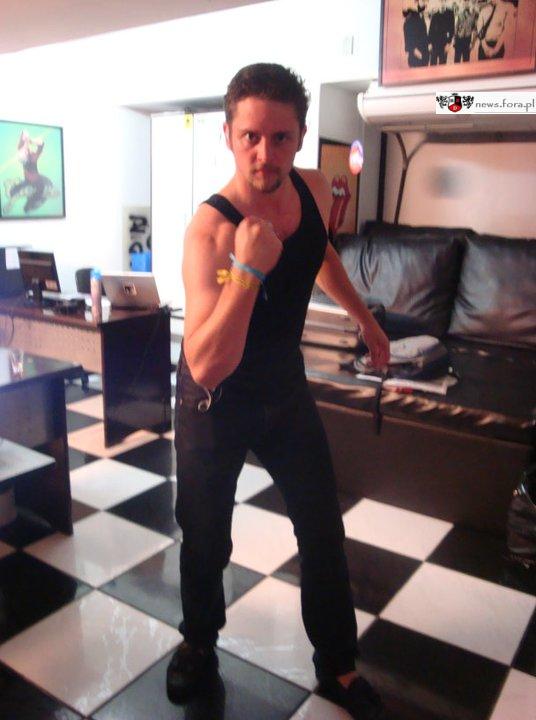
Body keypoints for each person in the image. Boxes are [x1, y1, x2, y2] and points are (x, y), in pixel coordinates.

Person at [167, 63, 390, 720]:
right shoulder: (210, 231)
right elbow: (206, 364)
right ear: (229, 136)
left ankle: (339, 665)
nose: (265, 154)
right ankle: (198, 643)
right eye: (251, 137)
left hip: (283, 388)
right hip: (215, 398)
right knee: (206, 534)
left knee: (321, 527)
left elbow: (319, 255)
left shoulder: (312, 188)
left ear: (299, 138)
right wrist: (245, 271)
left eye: (281, 138)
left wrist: (365, 318)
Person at [6, 130, 53, 214]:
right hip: (29, 180)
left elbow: (41, 144)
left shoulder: (32, 156)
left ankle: (29, 205)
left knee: (34, 199)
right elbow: (22, 147)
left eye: (27, 150)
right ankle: (28, 203)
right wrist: (25, 139)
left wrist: (30, 140)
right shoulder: (27, 156)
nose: (27, 151)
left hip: (37, 182)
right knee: (15, 191)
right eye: (26, 150)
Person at [403, 0, 430, 67]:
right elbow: (408, 36)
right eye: (423, 1)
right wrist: (414, 50)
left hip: (424, 54)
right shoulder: (410, 17)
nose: (425, 4)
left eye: (426, 2)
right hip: (415, 55)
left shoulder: (421, 16)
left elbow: (423, 34)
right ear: (416, 2)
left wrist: (428, 45)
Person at [428, 0, 455, 65]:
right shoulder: (435, 14)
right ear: (438, 2)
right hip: (434, 43)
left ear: (446, 2)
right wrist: (429, 43)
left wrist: (448, 43)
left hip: (444, 44)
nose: (442, 3)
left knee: (442, 64)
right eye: (441, 1)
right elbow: (431, 30)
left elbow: (452, 29)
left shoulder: (450, 13)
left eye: (443, 1)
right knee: (433, 64)